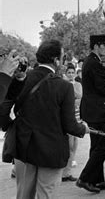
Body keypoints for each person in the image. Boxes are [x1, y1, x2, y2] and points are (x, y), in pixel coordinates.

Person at [0, 40, 89, 198]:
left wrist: (8, 125)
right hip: (51, 151)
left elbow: (4, 108)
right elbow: (69, 125)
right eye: (62, 57)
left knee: (23, 194)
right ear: (56, 60)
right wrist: (83, 129)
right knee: (47, 194)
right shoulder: (64, 86)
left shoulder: (21, 78)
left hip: (23, 146)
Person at [76, 34, 105, 193]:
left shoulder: (94, 61)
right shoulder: (93, 62)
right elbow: (102, 88)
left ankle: (97, 179)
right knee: (104, 144)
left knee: (97, 145)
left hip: (93, 110)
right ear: (97, 46)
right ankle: (84, 178)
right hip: (96, 110)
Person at [62, 64, 83, 181]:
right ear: (65, 74)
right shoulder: (64, 84)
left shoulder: (78, 84)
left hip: (77, 116)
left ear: (75, 73)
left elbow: (80, 96)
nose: (70, 74)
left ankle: (67, 170)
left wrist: (72, 94)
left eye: (72, 72)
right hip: (68, 117)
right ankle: (65, 172)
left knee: (75, 144)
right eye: (68, 72)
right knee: (68, 145)